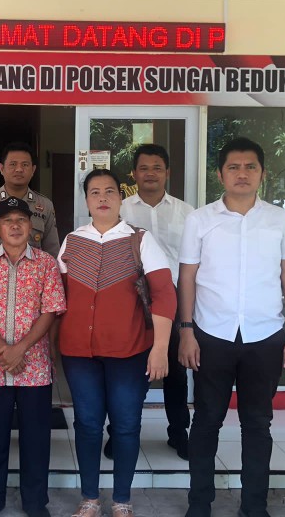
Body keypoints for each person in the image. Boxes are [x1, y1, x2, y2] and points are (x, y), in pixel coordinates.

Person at [177, 137, 285, 517]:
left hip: (264, 336)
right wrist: (186, 331)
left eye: (251, 167)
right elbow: (187, 278)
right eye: (233, 167)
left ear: (262, 174)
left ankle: (254, 506)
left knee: (258, 424)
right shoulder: (200, 220)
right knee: (206, 422)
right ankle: (199, 504)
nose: (242, 173)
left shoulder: (279, 220)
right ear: (220, 175)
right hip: (211, 335)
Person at [57, 169, 177, 517]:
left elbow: (164, 295)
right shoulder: (72, 241)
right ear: (86, 201)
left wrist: (160, 348)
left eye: (109, 191)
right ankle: (90, 498)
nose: (103, 198)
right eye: (95, 192)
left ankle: (122, 500)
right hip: (79, 353)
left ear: (121, 198)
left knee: (125, 426)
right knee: (87, 424)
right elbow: (57, 297)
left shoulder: (139, 240)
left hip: (129, 352)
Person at [0, 141, 60, 455]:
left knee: (34, 391)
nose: (19, 169)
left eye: (25, 164)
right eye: (13, 164)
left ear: (33, 169)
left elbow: (53, 253)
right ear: (1, 168)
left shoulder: (44, 205)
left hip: (33, 297)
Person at [0, 197, 67, 517]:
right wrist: (4, 349)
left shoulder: (46, 264)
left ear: (32, 227)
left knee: (36, 441)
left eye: (21, 220)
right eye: (7, 221)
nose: (14, 226)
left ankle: (35, 503)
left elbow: (51, 310)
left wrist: (20, 349)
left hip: (34, 368)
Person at [117, 144, 194, 461]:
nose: (150, 174)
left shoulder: (187, 212)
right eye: (144, 168)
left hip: (172, 299)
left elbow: (192, 262)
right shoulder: (121, 211)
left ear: (167, 173)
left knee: (175, 371)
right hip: (131, 300)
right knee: (128, 371)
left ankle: (178, 433)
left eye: (157, 168)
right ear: (134, 174)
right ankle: (121, 435)